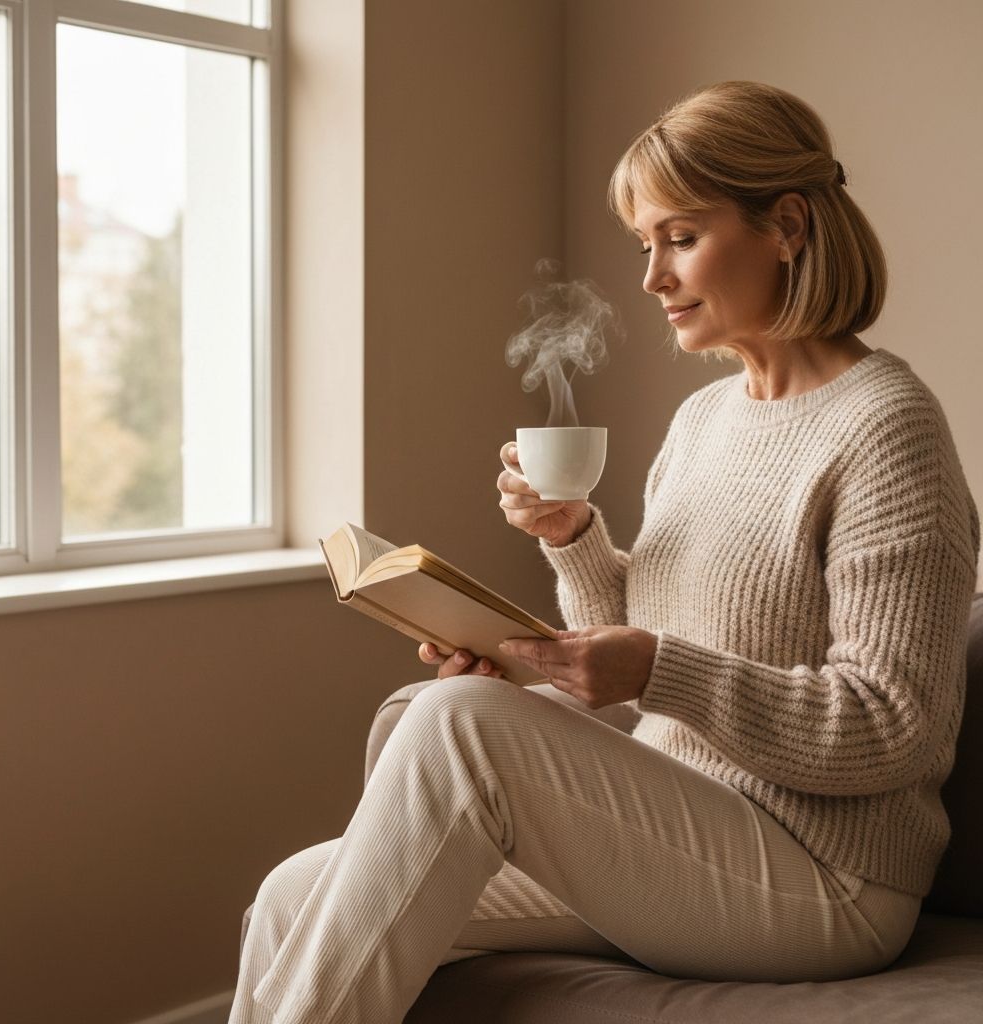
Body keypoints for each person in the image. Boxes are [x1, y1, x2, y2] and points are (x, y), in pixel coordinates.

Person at [229, 80, 979, 1024]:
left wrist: (660, 669)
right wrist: (576, 546)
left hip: (828, 880)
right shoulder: (704, 419)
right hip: (682, 835)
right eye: (643, 245)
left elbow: (894, 724)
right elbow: (632, 650)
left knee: (460, 724)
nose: (652, 278)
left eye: (681, 237)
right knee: (296, 894)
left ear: (786, 225)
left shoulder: (887, 428)